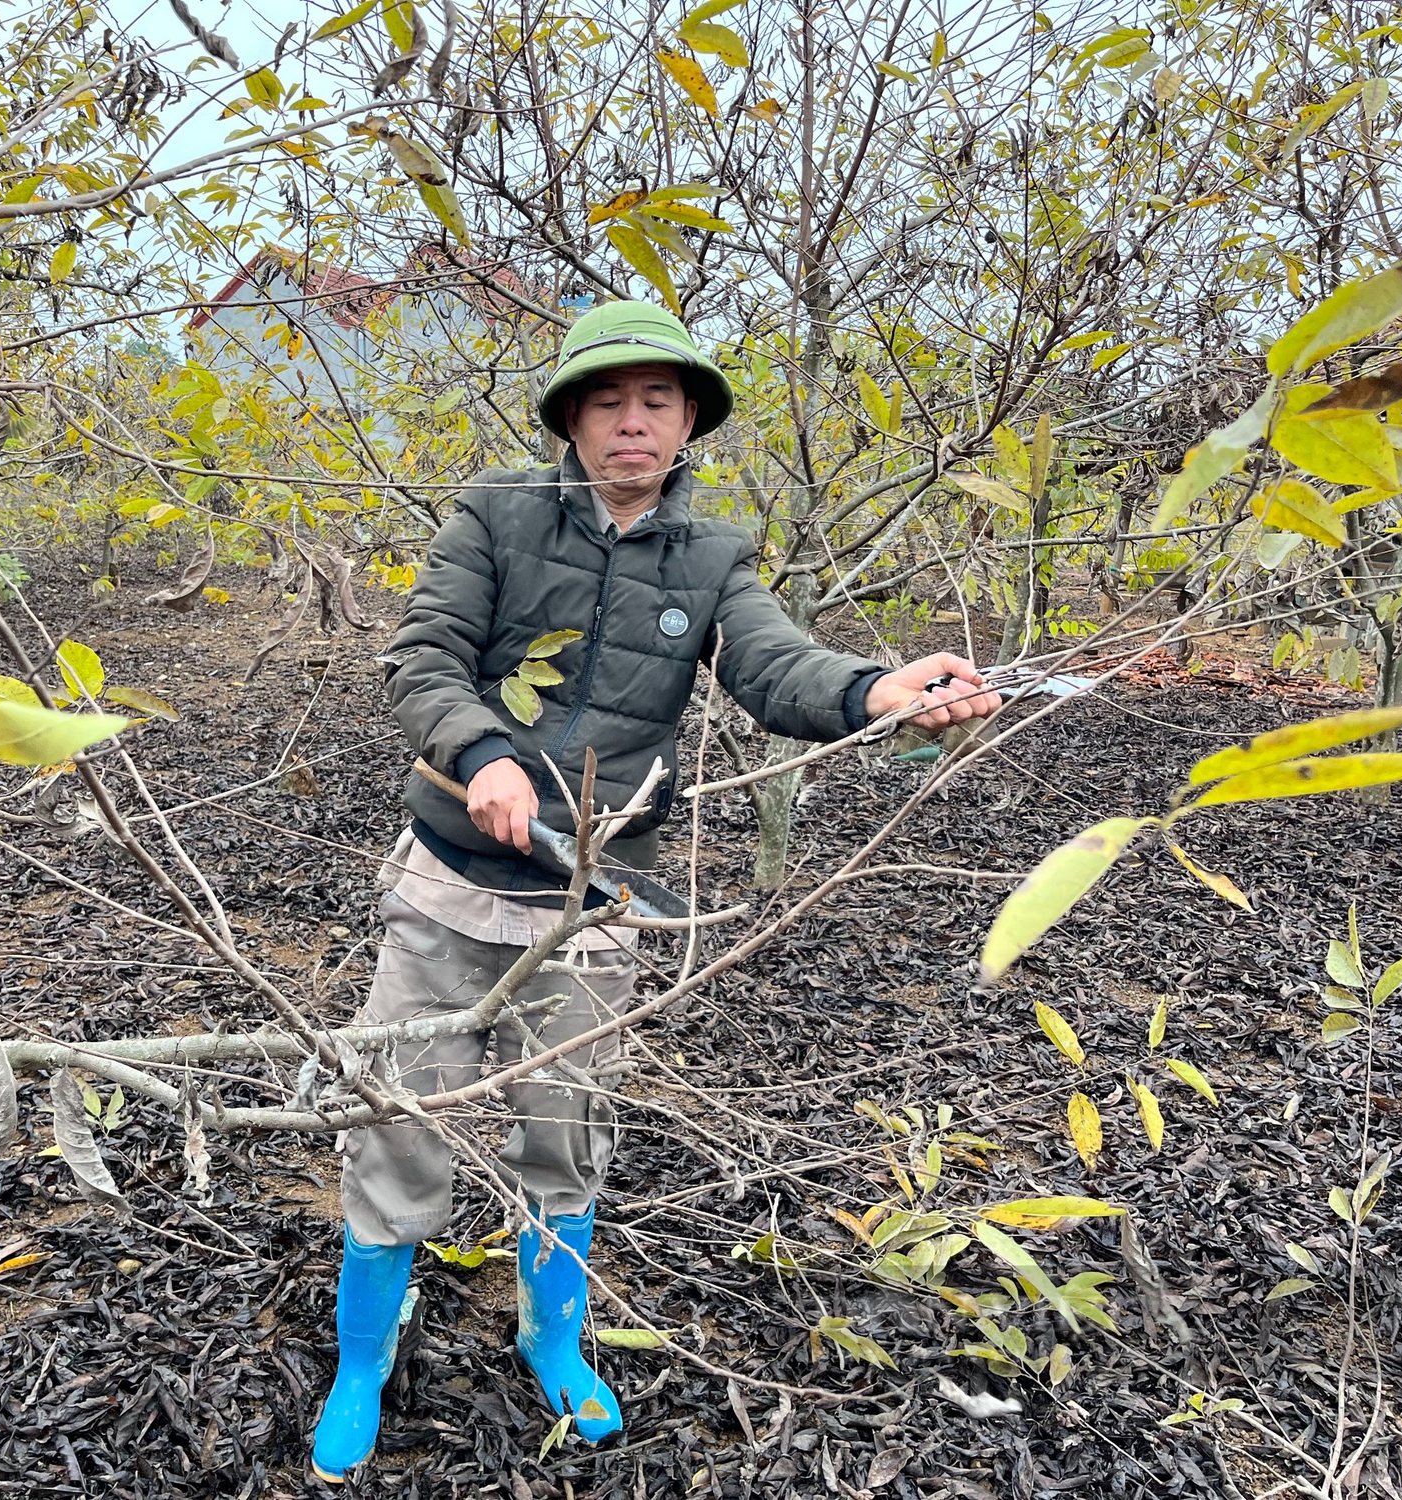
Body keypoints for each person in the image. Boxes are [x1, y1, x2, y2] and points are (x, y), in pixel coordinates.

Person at [308, 301, 1000, 1484]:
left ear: (686, 423)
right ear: (571, 416)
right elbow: (420, 657)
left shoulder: (711, 555)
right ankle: (362, 1362)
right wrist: (482, 755)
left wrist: (877, 691)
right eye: (608, 400)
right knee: (400, 1120)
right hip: (448, 883)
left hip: (597, 896)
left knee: (564, 1133)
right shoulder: (496, 513)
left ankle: (551, 1343)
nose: (633, 423)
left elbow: (775, 663)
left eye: (658, 402)